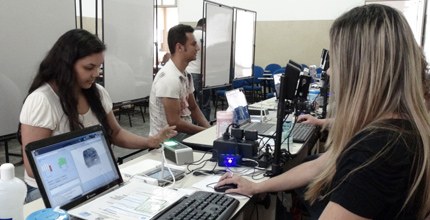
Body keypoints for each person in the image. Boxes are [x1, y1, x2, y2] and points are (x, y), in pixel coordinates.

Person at [217, 4, 430, 219]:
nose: (328, 71)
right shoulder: (399, 130)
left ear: (360, 69)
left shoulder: (375, 151)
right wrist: (257, 187)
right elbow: (320, 164)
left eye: (336, 59)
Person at [19, 29, 177, 203]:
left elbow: (115, 133)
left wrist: (150, 141)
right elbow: (32, 167)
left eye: (99, 67)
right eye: (89, 67)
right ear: (66, 64)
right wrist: (88, 166)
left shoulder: (97, 93)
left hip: (94, 180)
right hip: (52, 190)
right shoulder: (42, 100)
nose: (96, 74)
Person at [149, 24, 210, 141]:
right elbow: (174, 122)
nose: (198, 48)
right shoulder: (169, 78)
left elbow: (193, 107)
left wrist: (210, 130)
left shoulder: (186, 75)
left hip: (182, 138)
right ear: (179, 47)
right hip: (166, 144)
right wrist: (206, 132)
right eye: (193, 44)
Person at [186, 18, 211, 121]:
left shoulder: (190, 35)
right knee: (204, 104)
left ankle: (193, 126)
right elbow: (208, 57)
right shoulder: (206, 36)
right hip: (200, 73)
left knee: (191, 104)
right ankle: (204, 128)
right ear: (205, 25)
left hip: (188, 72)